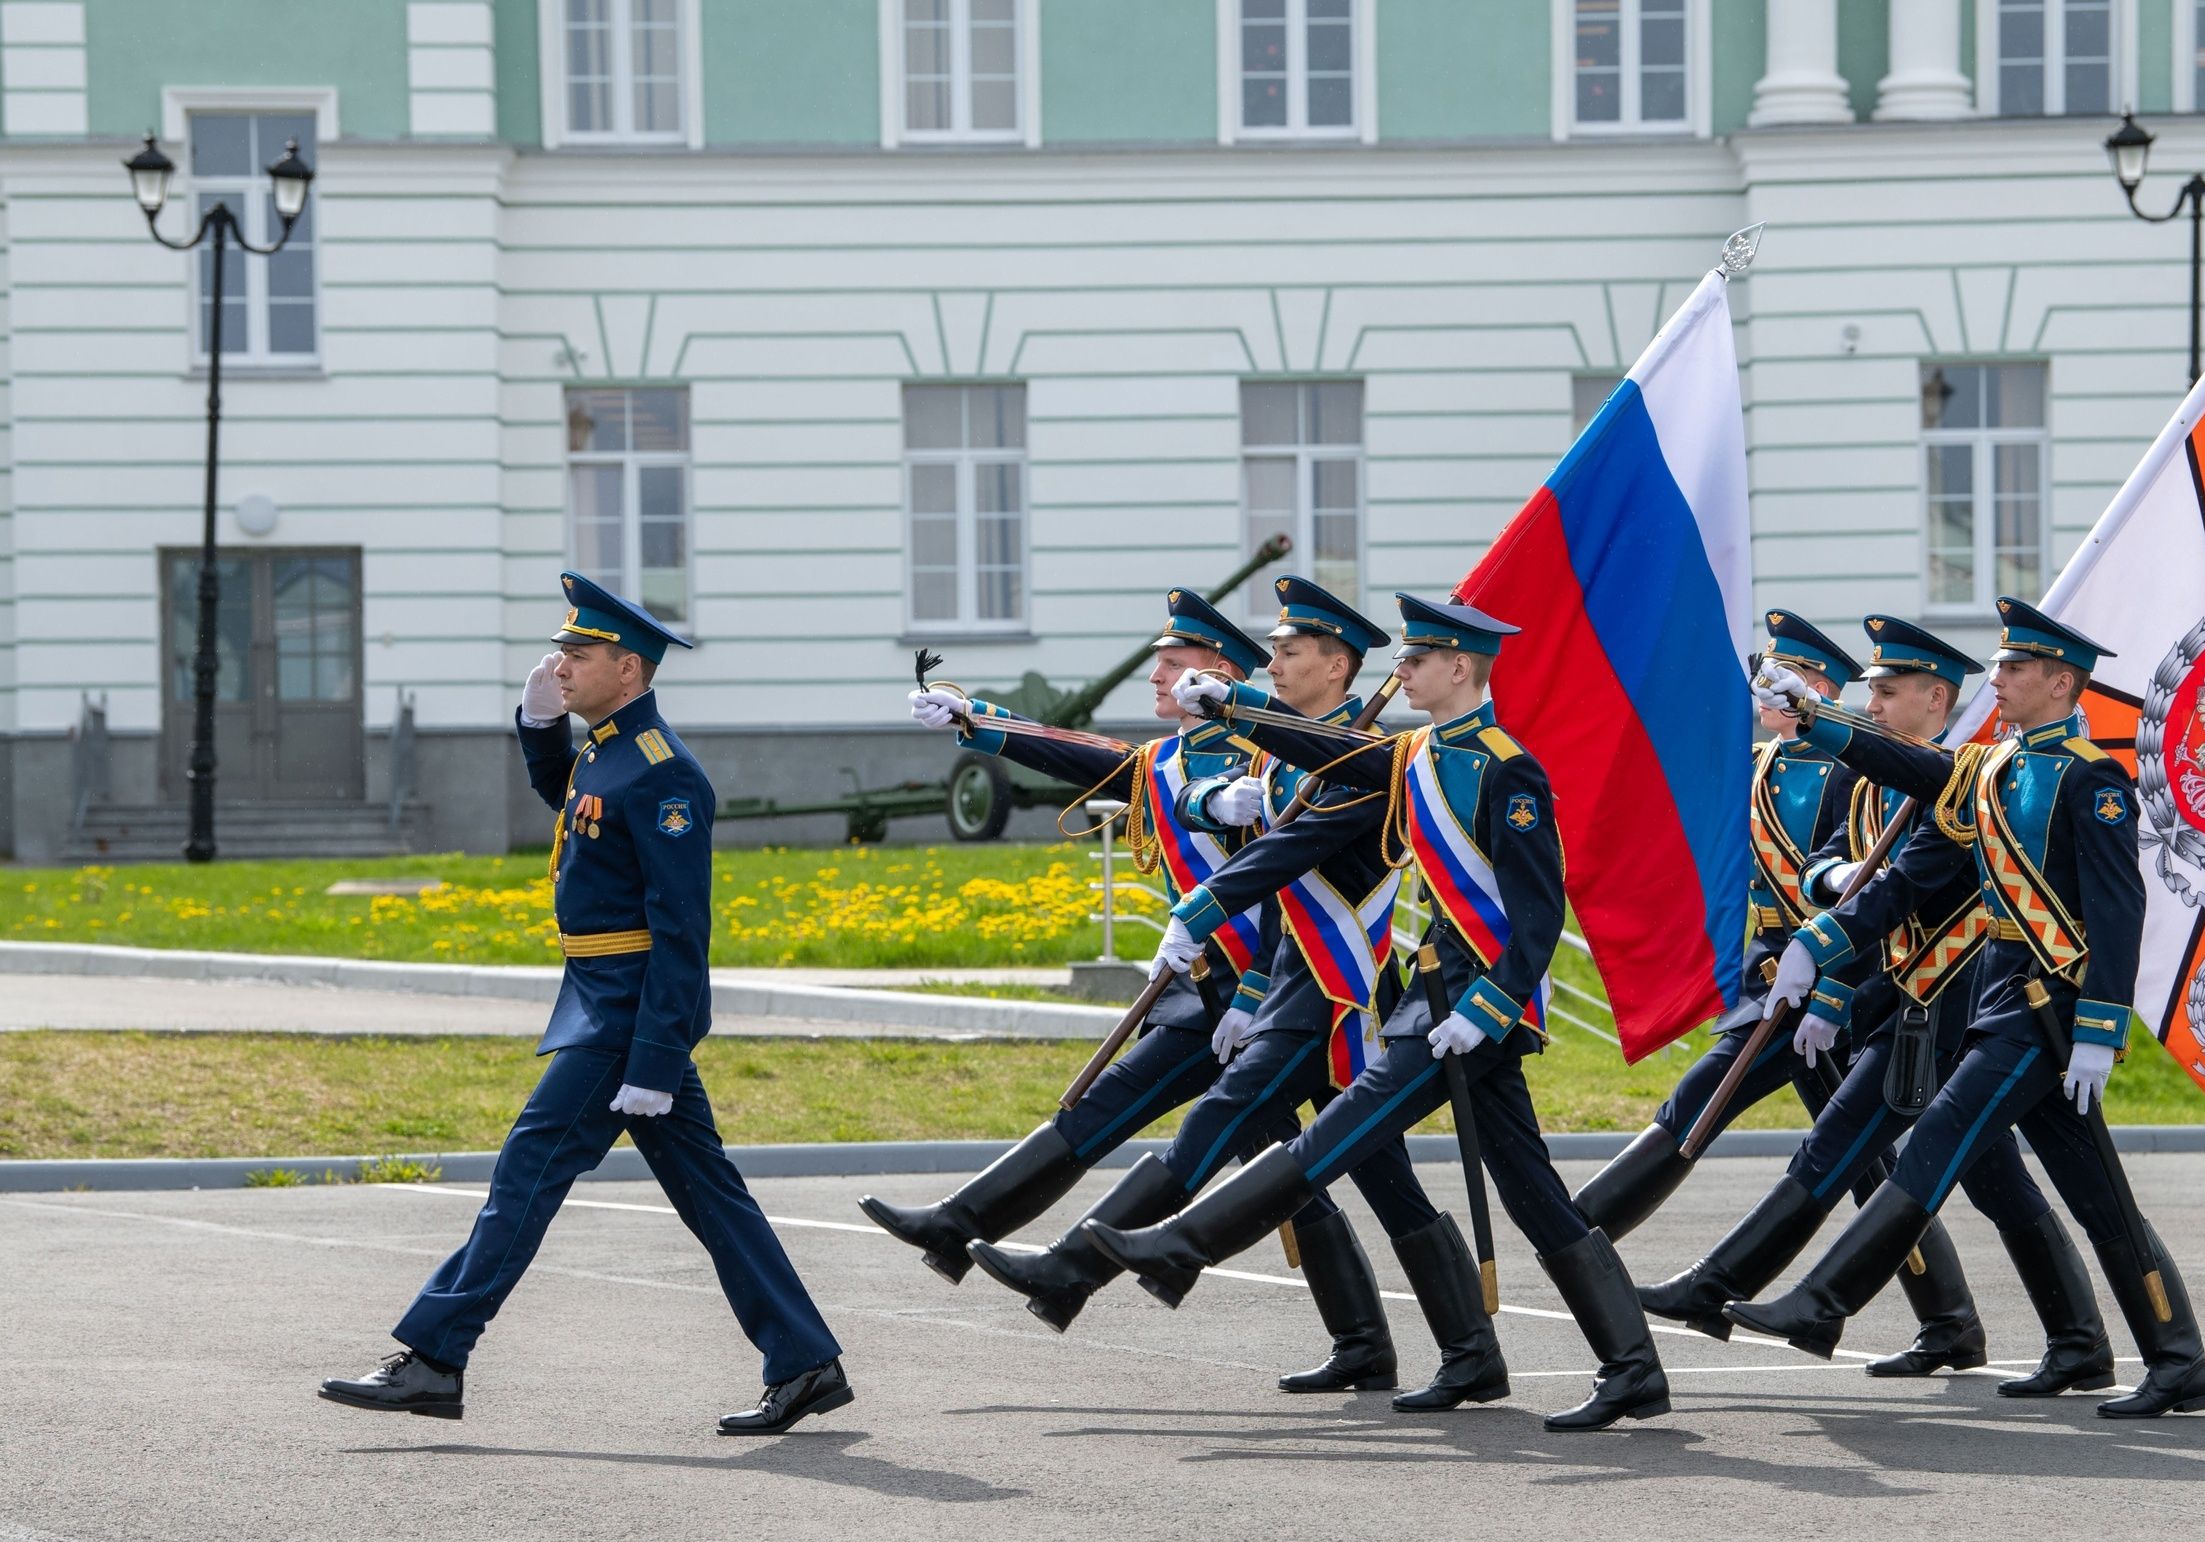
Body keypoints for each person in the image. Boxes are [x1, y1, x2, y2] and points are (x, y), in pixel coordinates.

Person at [1085, 595, 1672, 1433]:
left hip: (1471, 1006)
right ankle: (1594, 1366)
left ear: (1460, 667)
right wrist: (1241, 706)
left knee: (1339, 1133)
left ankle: (1184, 1243)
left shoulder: (1509, 768)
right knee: (1531, 1189)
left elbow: (1541, 915)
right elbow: (1331, 752)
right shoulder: (1417, 754)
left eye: (1418, 658)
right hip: (1439, 1000)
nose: (1402, 669)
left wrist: (1493, 1003)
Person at [320, 574, 849, 1434]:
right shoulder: (608, 749)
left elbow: (682, 935)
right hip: (606, 1008)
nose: (560, 666)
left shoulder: (666, 774)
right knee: (711, 1195)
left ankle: (434, 1356)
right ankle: (804, 1360)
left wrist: (652, 1058)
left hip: (624, 1020)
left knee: (523, 1178)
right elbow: (576, 805)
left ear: (629, 669)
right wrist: (538, 730)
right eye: (561, 652)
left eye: (578, 654)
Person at [1727, 597, 2205, 1419]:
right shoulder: (1993, 767)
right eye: (2000, 663)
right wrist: (1814, 716)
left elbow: (2118, 912)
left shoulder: (2091, 777)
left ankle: (1821, 1303)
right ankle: (2168, 1359)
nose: (1999, 676)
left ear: (2061, 682)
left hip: (2043, 1011)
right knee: (2101, 1201)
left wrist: (2101, 1026)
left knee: (1933, 1150)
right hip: (1999, 999)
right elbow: (1906, 766)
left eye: (2016, 667)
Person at [969, 577, 1447, 1399]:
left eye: (1289, 653)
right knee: (1370, 1175)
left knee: (1233, 1128)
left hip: (1342, 991)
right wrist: (986, 726)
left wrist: (1220, 935)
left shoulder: (1355, 759)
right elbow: (1217, 819)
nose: (1275, 665)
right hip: (1298, 985)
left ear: (1336, 667)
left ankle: (1085, 1264)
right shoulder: (1293, 750)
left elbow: (1276, 862)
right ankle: (1410, 1345)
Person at [1638, 616, 2112, 1394]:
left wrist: (1822, 959)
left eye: (1888, 692)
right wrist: (1830, 895)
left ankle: (1739, 1289)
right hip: (1912, 1001)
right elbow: (1838, 861)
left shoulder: (1974, 777)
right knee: (1987, 1182)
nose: (1876, 704)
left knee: (1859, 1151)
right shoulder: (1884, 780)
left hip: (1961, 1002)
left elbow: (1903, 887)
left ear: (1936, 697)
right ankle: (2023, 1333)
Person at [1571, 610, 1982, 1369]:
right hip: (1772, 970)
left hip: (1831, 981)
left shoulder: (1851, 768)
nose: (1762, 693)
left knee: (1739, 1112)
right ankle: (1949, 1317)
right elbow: (1788, 869)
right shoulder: (1765, 768)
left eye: (1780, 679)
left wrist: (1829, 985)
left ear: (1814, 689)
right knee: (1857, 1159)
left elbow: (1871, 893)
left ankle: (1579, 1230)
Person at [859, 589, 1278, 1284]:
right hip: (1202, 989)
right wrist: (976, 716)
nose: (1155, 675)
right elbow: (1077, 753)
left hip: (1257, 989)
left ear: (1219, 672)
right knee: (1276, 1168)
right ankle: (1364, 1337)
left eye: (1173, 662)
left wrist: (1256, 987)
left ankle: (998, 1242)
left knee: (1272, 1161)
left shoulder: (1263, 756)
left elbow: (1288, 890)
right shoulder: (1165, 760)